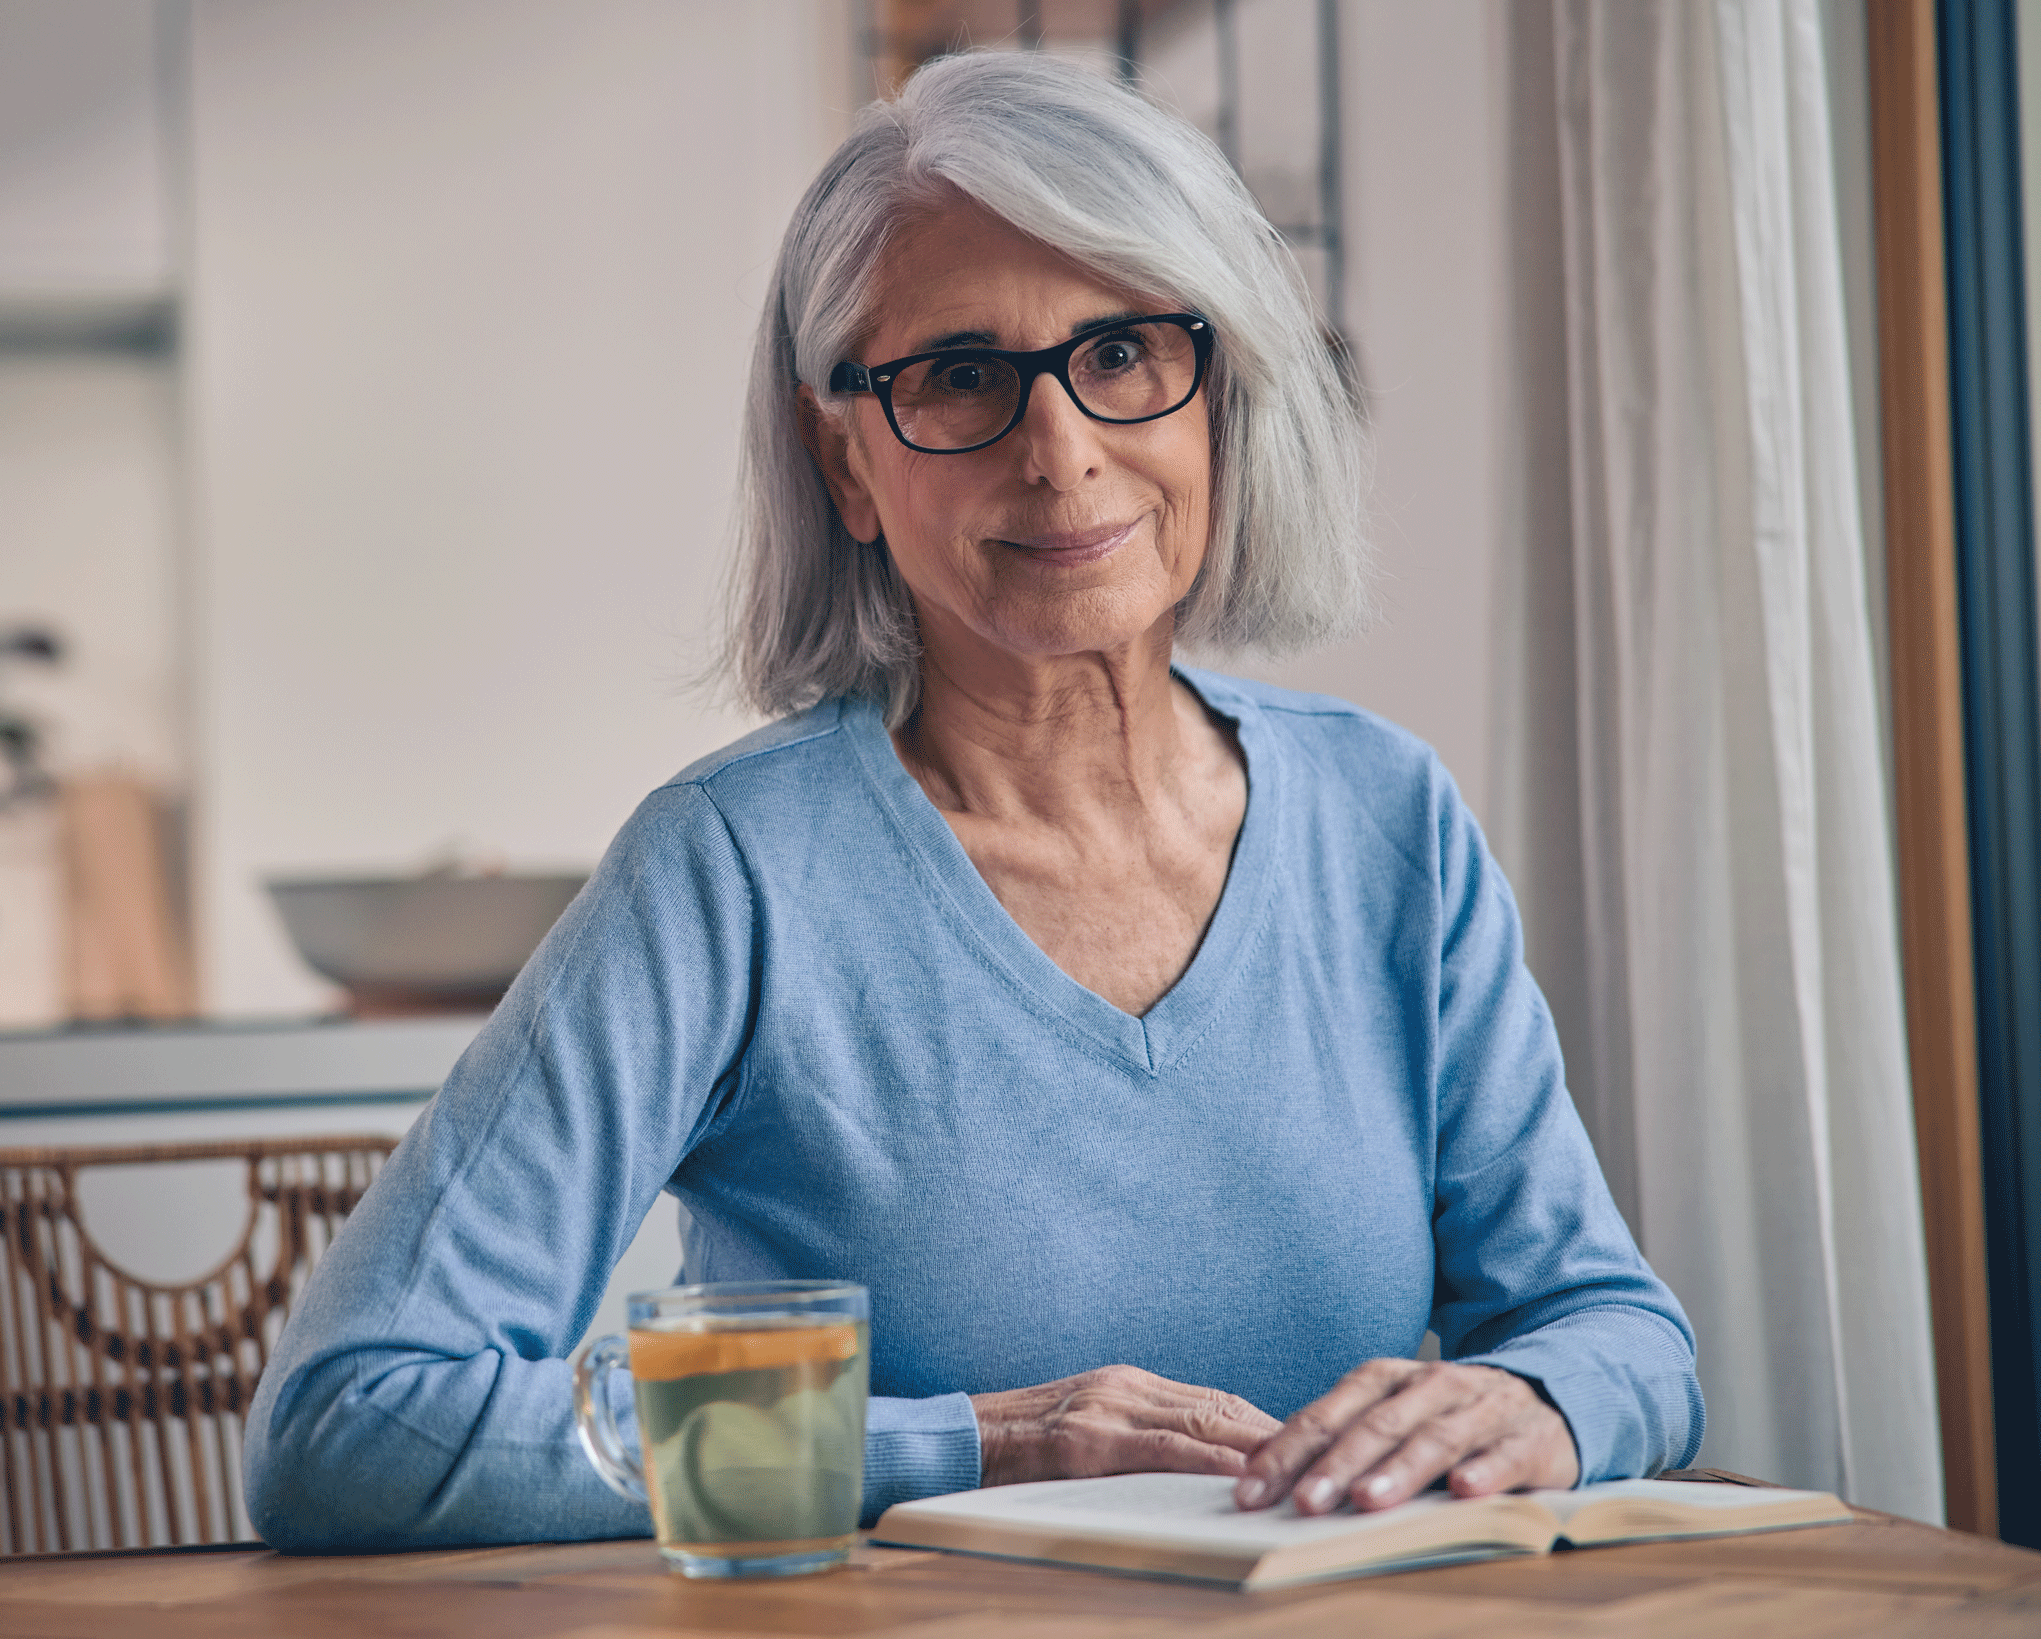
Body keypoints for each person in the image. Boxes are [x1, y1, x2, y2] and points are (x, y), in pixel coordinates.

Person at [244, 51, 1702, 1552]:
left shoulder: (1388, 817)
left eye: (1126, 351)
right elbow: (348, 1423)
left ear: (1223, 393)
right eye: (960, 375)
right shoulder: (729, 873)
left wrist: (1543, 1401)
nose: (1061, 451)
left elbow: (1615, 1327)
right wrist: (976, 1444)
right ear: (846, 459)